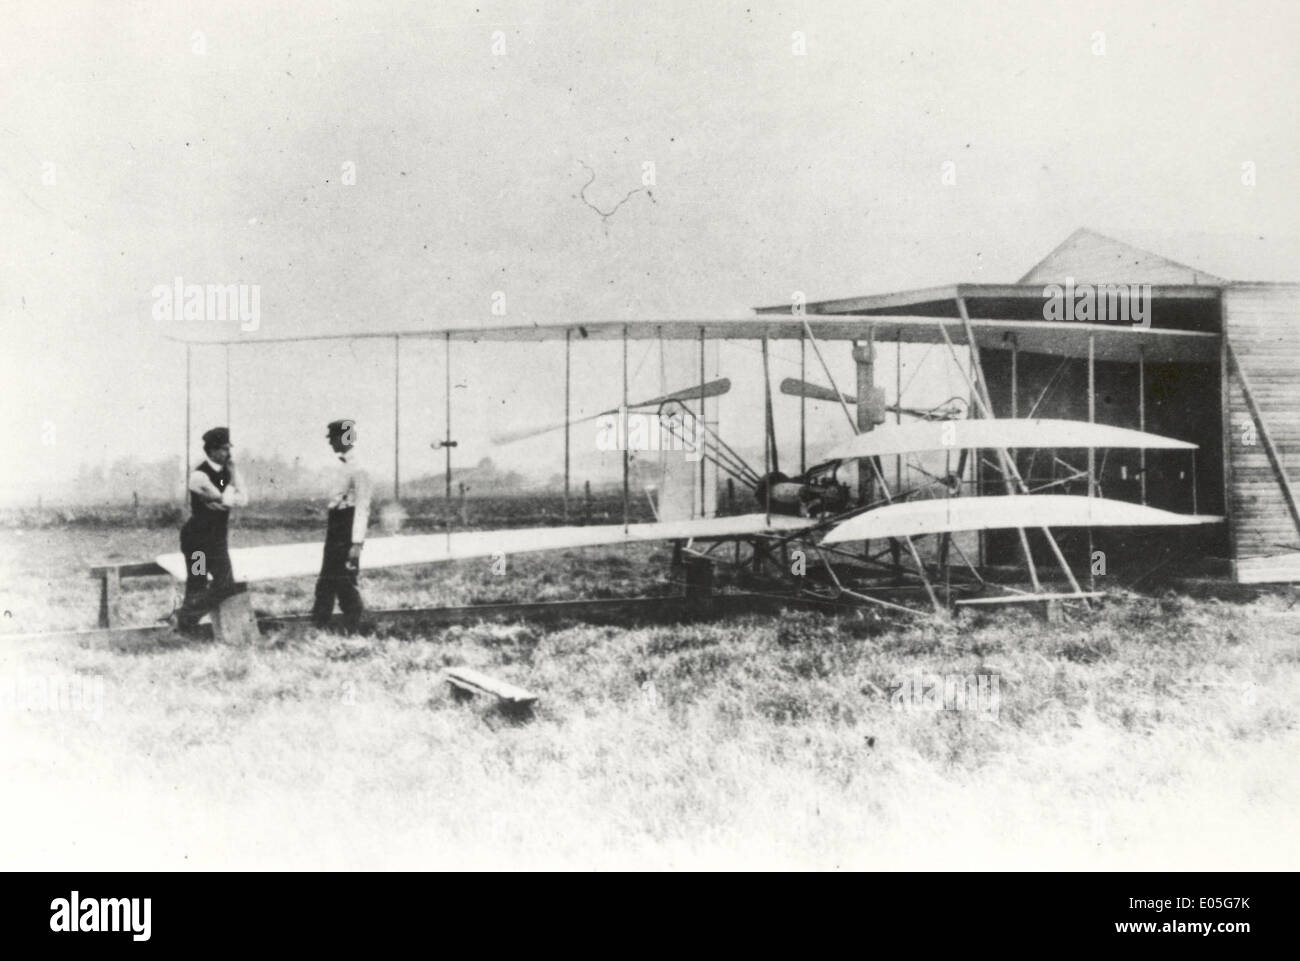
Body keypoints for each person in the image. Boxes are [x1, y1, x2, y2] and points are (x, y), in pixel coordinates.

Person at [175, 426, 248, 631]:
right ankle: (187, 627)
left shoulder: (226, 474)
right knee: (197, 582)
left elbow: (244, 499)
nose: (228, 454)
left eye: (228, 448)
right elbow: (227, 499)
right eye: (224, 449)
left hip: (217, 540)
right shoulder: (199, 476)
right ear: (211, 450)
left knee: (226, 585)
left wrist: (226, 494)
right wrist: (231, 485)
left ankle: (185, 618)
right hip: (197, 541)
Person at [312, 419, 372, 632]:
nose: (331, 443)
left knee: (344, 581)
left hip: (347, 529)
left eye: (334, 438)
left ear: (345, 437)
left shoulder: (360, 468)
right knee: (327, 579)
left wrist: (356, 543)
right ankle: (319, 626)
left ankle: (354, 627)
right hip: (336, 526)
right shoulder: (344, 466)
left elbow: (363, 507)